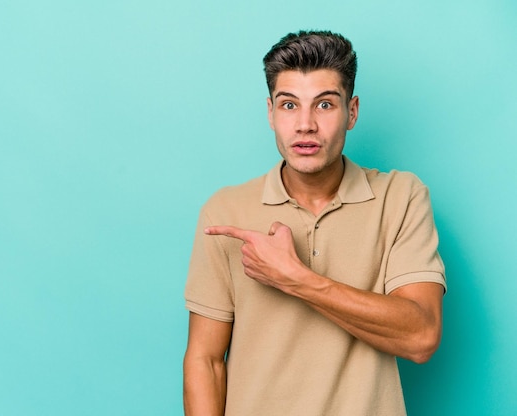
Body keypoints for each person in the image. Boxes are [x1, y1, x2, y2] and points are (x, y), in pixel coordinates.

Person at [182, 30, 446, 416]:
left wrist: (296, 278)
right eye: (289, 105)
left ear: (351, 112)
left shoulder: (400, 197)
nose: (305, 124)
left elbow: (421, 336)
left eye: (324, 105)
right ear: (270, 113)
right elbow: (205, 361)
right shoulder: (226, 211)